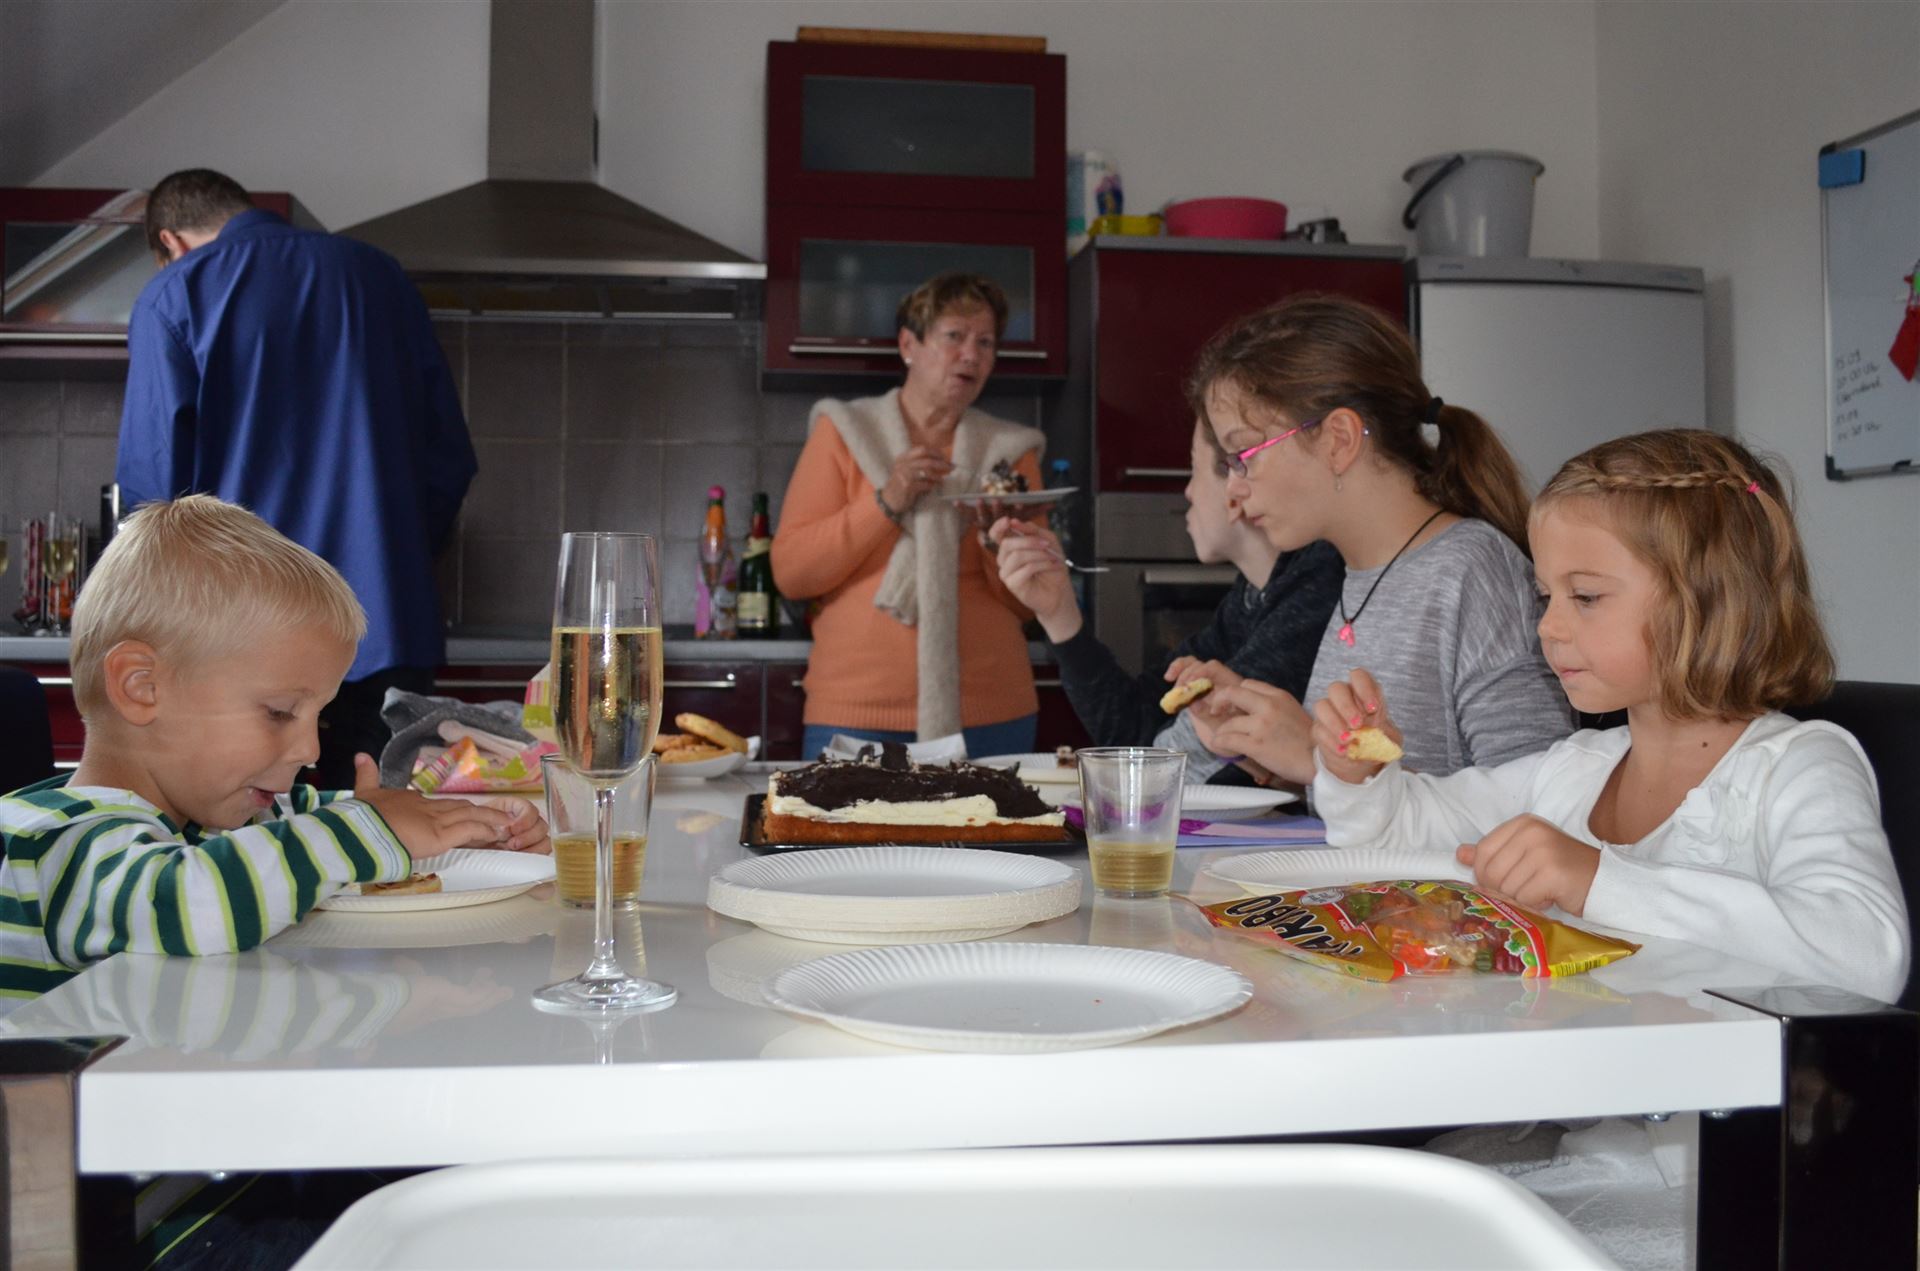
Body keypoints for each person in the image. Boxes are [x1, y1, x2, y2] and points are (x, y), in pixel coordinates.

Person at [1309, 430, 1907, 1001]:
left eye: (1586, 597)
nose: (1548, 626)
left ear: (1704, 599)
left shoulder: (1797, 768)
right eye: (1547, 596)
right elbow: (1394, 836)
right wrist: (1359, 772)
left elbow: (1868, 959)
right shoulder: (1574, 770)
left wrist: (1598, 879)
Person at [0, 496, 549, 1011]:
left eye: (318, 717)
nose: (310, 749)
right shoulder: (59, 846)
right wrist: (365, 832)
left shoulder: (215, 815)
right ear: (143, 687)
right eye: (281, 712)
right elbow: (191, 902)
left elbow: (318, 822)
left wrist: (469, 825)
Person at [118, 168, 477, 789]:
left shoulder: (175, 292)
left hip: (238, 641)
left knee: (257, 840)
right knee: (381, 834)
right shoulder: (381, 276)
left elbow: (154, 498)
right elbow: (449, 458)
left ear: (169, 242)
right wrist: (393, 557)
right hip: (386, 628)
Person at [1182, 294, 1572, 784]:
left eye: (1244, 455)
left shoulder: (1470, 570)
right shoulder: (1356, 575)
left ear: (1339, 440)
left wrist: (1315, 759)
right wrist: (1271, 751)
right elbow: (1367, 795)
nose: (1234, 491)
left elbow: (1537, 799)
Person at [771, 273, 1046, 757]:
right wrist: (886, 502)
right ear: (908, 345)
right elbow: (792, 573)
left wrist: (993, 540)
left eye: (985, 342)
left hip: (991, 715)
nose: (972, 355)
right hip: (856, 712)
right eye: (954, 336)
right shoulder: (845, 432)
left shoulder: (1011, 454)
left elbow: (1032, 603)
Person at [992, 419, 1343, 778]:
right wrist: (1059, 613)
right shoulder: (1249, 600)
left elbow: (1164, 767)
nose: (1187, 492)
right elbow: (1134, 725)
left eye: (1193, 470)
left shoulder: (1315, 590)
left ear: (1235, 494)